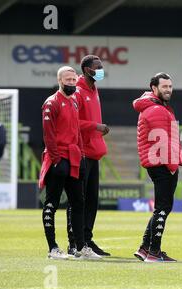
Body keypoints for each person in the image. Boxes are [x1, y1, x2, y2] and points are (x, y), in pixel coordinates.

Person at [38, 66, 101, 260]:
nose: (72, 83)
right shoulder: (51, 103)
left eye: (74, 80)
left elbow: (76, 132)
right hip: (58, 158)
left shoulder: (74, 101)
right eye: (68, 80)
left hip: (75, 157)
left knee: (78, 202)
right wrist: (56, 159)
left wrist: (81, 155)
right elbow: (48, 136)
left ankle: (81, 247)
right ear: (60, 81)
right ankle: (53, 248)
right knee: (52, 203)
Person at [132, 72, 182, 263]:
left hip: (159, 162)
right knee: (163, 207)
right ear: (154, 88)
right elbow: (162, 141)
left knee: (162, 207)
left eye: (170, 86)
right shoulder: (156, 109)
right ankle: (154, 252)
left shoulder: (157, 107)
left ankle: (145, 248)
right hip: (162, 163)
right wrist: (172, 165)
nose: (168, 90)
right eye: (164, 86)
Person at [65, 55, 110, 257]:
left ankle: (87, 240)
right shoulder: (78, 92)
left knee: (92, 200)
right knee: (78, 200)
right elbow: (73, 122)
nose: (100, 70)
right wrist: (96, 126)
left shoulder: (94, 89)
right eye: (96, 67)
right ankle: (74, 242)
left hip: (94, 152)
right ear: (85, 70)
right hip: (81, 152)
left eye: (101, 67)